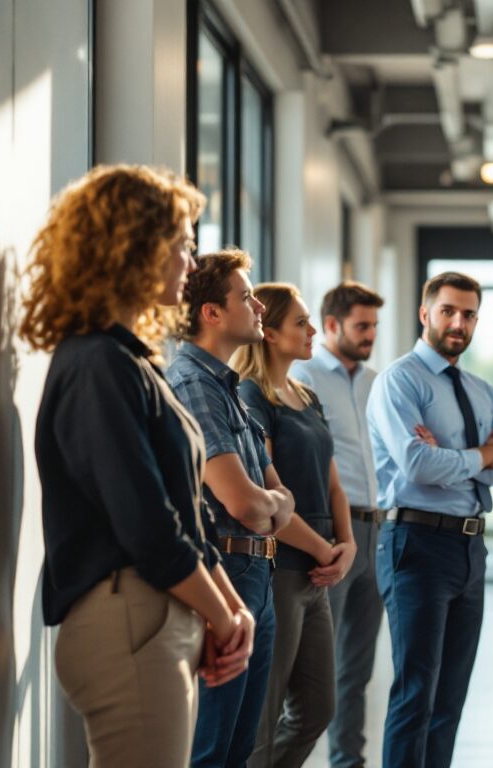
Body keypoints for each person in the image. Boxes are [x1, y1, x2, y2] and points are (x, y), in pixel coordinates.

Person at [22, 165, 254, 766]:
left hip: (153, 610)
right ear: (133, 248)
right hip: (129, 614)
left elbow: (186, 514)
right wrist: (219, 615)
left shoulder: (129, 360)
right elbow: (147, 525)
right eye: (181, 243)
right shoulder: (97, 363)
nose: (190, 261)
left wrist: (230, 607)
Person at [367, 271, 493, 768]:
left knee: (450, 699)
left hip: (469, 549)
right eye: (448, 311)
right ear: (425, 314)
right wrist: (484, 454)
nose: (458, 322)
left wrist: (457, 457)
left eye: (469, 313)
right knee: (416, 693)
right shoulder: (400, 381)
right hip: (415, 543)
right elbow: (416, 464)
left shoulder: (480, 390)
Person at [168, 249, 297, 767]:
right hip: (230, 567)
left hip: (257, 570)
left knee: (241, 747)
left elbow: (279, 496)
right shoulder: (194, 383)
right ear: (211, 314)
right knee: (213, 748)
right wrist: (271, 505)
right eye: (247, 297)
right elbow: (245, 501)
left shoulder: (229, 388)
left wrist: (272, 504)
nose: (259, 307)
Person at [236, 284, 356, 768]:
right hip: (282, 567)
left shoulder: (305, 394)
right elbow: (269, 501)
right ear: (268, 332)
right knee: (263, 717)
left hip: (320, 568)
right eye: (301, 323)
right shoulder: (250, 395)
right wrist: (325, 551)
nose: (312, 331)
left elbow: (334, 483)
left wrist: (345, 544)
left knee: (317, 709)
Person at [289, 281, 386, 768]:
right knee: (316, 670)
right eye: (361, 326)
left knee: (358, 666)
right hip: (330, 537)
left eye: (374, 326)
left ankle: (349, 760)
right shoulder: (302, 377)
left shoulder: (375, 383)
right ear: (332, 325)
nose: (370, 335)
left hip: (377, 530)